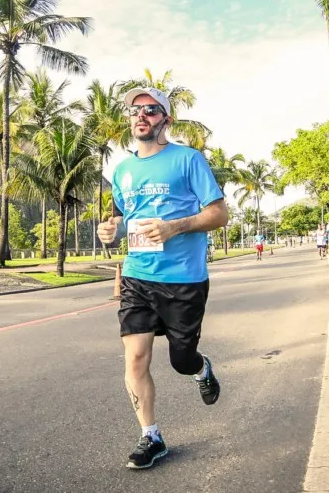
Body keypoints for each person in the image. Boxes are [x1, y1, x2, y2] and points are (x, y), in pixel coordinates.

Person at [97, 86, 229, 470]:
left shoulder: (188, 160)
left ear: (165, 119)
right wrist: (113, 231)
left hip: (184, 279)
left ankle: (201, 369)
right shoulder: (122, 170)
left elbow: (219, 215)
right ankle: (150, 436)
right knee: (135, 356)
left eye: (151, 110)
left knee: (181, 360)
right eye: (135, 110)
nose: (142, 116)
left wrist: (175, 227)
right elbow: (122, 217)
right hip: (138, 275)